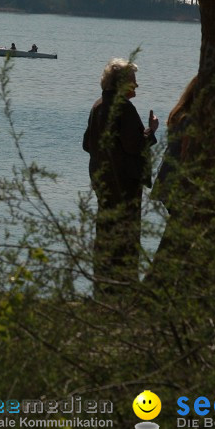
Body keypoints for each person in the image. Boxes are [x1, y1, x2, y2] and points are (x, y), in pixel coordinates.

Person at [82, 58, 158, 296]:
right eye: (133, 83)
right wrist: (151, 131)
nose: (136, 87)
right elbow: (134, 145)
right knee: (126, 235)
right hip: (124, 181)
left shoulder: (97, 106)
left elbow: (87, 144)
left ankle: (102, 286)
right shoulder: (123, 108)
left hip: (102, 181)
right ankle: (124, 287)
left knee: (105, 232)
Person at [151, 75, 198, 213]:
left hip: (166, 177)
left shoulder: (179, 114)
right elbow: (185, 152)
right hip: (176, 181)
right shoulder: (190, 119)